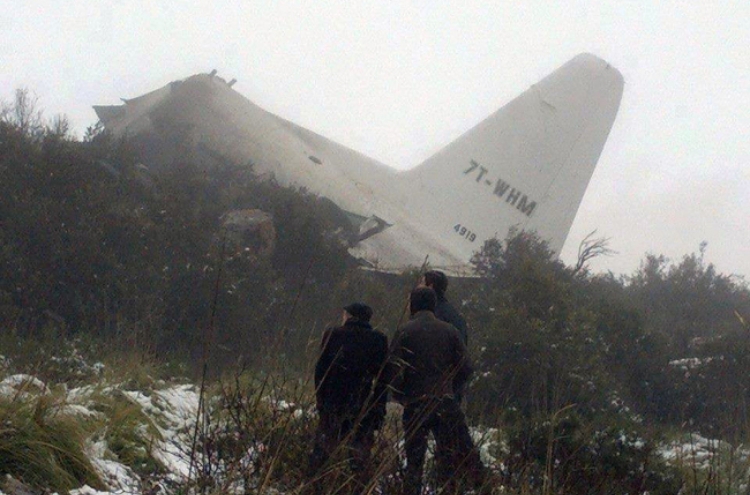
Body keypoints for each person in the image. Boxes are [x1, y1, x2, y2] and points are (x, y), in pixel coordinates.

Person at [387, 288, 490, 495]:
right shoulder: (449, 330)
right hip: (444, 402)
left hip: (416, 404)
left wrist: (401, 395)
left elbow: (393, 371)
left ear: (413, 305)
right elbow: (467, 368)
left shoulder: (404, 331)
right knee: (453, 457)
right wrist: (451, 388)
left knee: (414, 463)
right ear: (433, 305)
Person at [308, 302, 389, 494]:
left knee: (322, 453)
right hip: (363, 405)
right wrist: (378, 408)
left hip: (333, 404)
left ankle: (315, 488)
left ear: (350, 316)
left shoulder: (333, 334)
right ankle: (359, 490)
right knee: (359, 457)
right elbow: (383, 379)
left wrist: (321, 401)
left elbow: (320, 372)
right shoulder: (378, 340)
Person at [421, 270, 468, 345]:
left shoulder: (432, 315)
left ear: (430, 287)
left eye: (421, 283)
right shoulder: (455, 315)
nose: (417, 287)